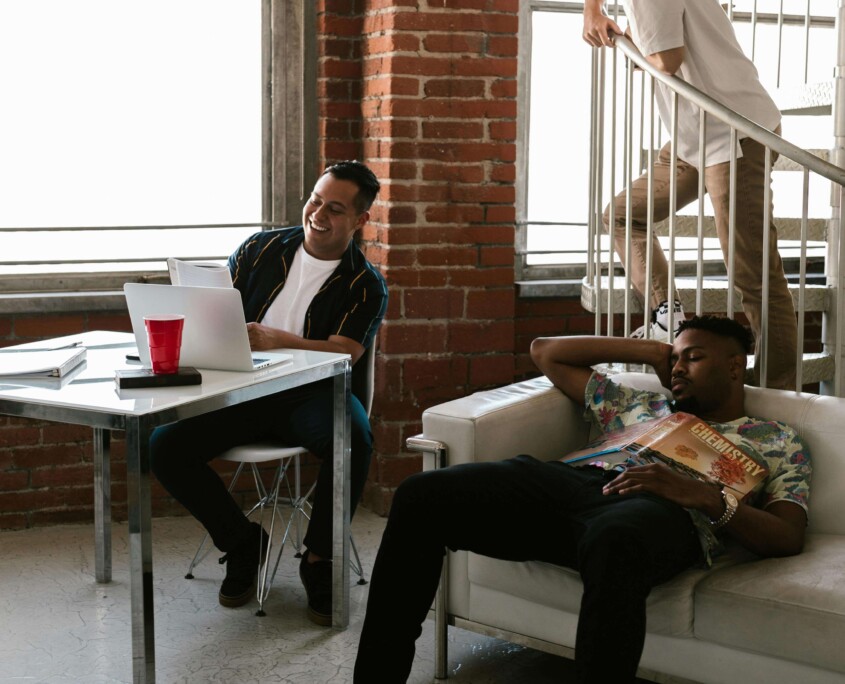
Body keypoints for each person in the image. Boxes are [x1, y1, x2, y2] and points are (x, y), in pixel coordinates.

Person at [354, 316, 810, 683]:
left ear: (735, 366)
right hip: (573, 483)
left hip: (662, 512)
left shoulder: (776, 439)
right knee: (422, 493)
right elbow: (545, 351)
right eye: (673, 359)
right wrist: (650, 351)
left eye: (692, 358)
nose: (676, 368)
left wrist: (705, 497)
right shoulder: (639, 404)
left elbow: (788, 534)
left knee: (616, 538)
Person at [151, 160, 388, 625]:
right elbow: (216, 312)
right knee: (165, 446)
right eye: (315, 200)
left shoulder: (366, 283)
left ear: (360, 221)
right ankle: (242, 543)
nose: (318, 213)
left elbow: (345, 352)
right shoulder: (259, 249)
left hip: (314, 393)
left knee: (354, 439)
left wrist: (282, 340)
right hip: (246, 386)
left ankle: (319, 559)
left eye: (335, 209)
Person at [582, 0, 797, 390]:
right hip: (692, 137)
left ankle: (777, 395)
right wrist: (592, 11)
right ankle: (669, 317)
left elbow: (666, 58)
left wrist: (634, 46)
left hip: (735, 132)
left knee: (755, 277)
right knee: (622, 215)